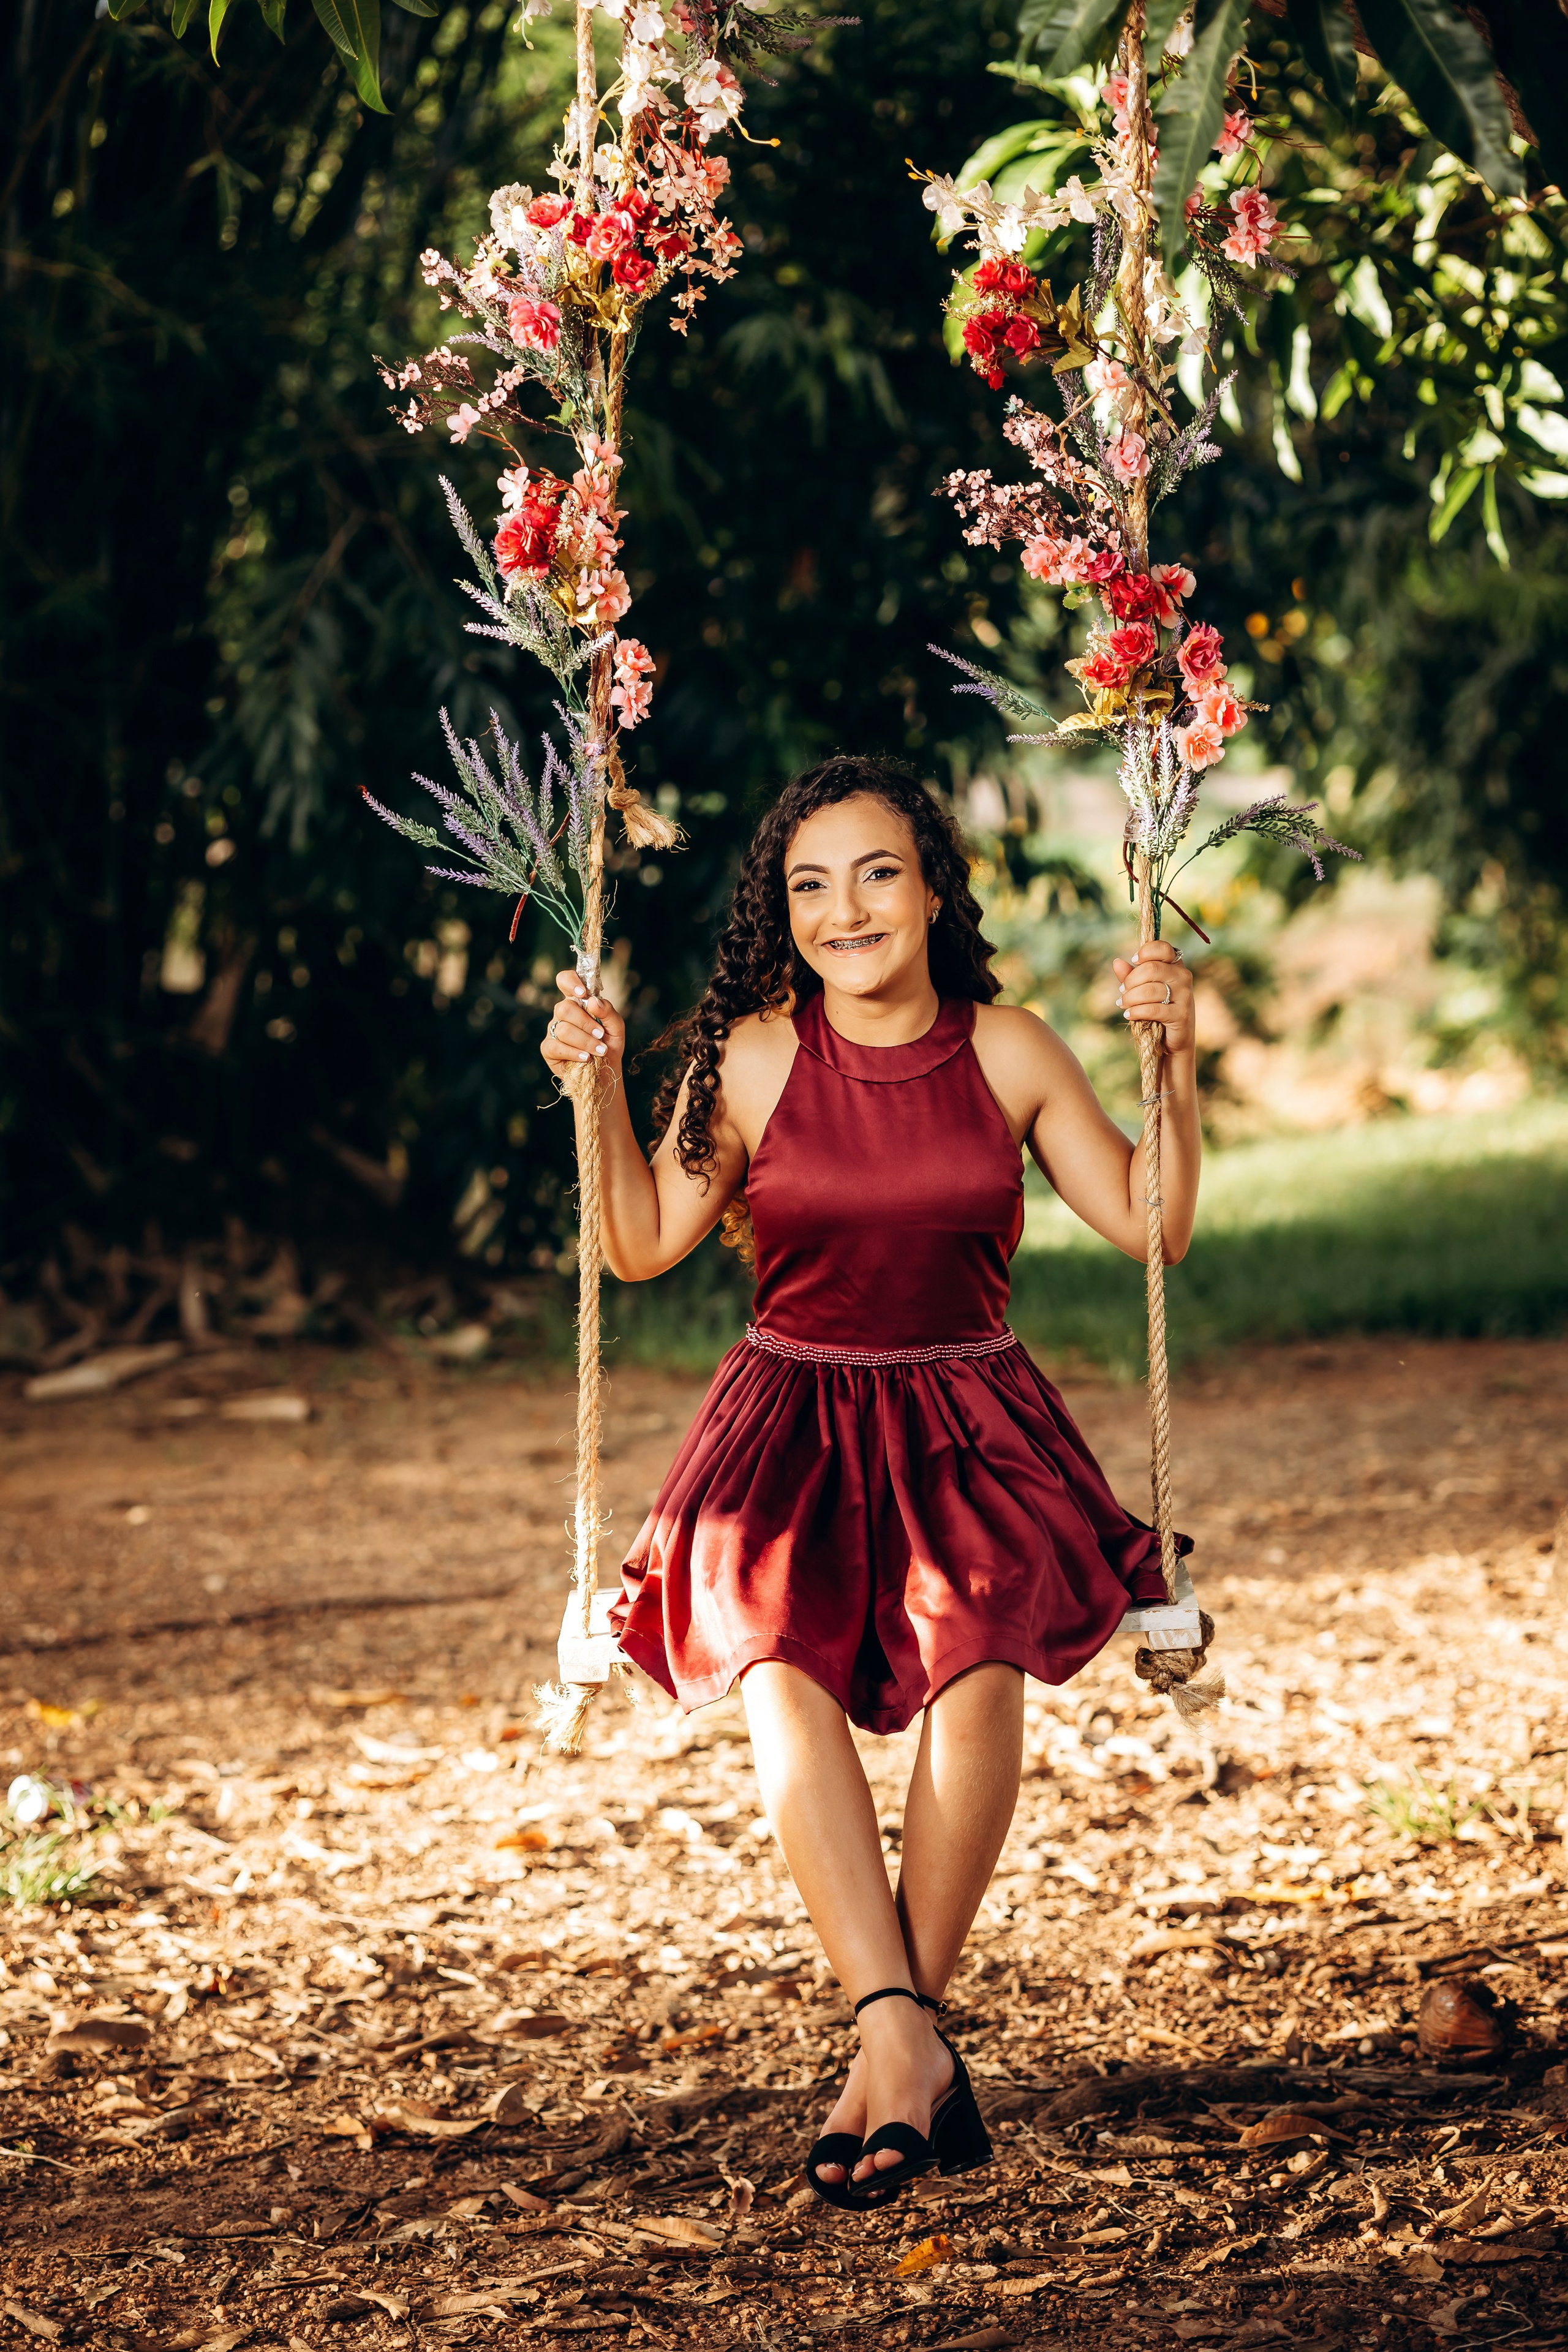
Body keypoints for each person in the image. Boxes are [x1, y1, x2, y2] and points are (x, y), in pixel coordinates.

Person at [541, 755, 1198, 2209]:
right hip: (789, 1421)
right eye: (810, 884)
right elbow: (640, 1240)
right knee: (775, 1668)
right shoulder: (757, 1058)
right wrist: (592, 1095)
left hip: (966, 1415)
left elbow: (1151, 1221)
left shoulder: (1010, 1049)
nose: (846, 910)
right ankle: (902, 2040)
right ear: (783, 914)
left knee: (979, 1677)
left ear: (933, 886)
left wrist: (1176, 1059)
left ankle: (893, 2047)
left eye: (877, 873)